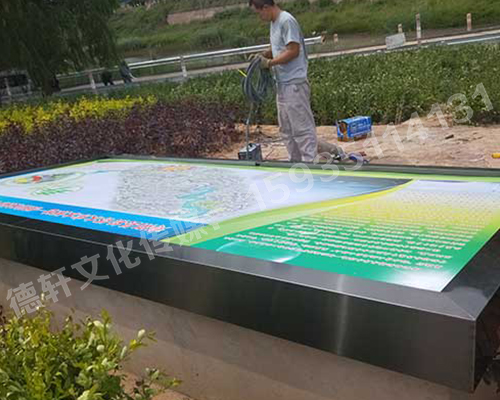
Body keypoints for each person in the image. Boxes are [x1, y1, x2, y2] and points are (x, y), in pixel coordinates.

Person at [249, 0, 318, 163]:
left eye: (259, 13)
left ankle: (310, 165)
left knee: (302, 128)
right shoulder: (274, 23)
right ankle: (295, 163)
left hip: (294, 84)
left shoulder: (286, 21)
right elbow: (279, 47)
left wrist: (270, 63)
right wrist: (264, 54)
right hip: (282, 83)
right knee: (286, 130)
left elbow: (293, 50)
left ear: (266, 7)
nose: (259, 17)